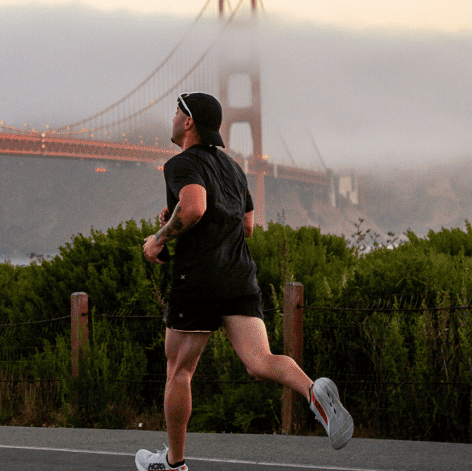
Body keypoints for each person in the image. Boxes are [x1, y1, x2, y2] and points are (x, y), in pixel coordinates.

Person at [132, 92, 352, 471]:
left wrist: (160, 237)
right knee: (260, 361)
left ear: (188, 122)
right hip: (238, 275)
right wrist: (179, 215)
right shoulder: (233, 168)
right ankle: (312, 391)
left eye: (176, 111)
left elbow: (197, 207)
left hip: (198, 279)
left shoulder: (181, 163)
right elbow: (247, 225)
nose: (171, 118)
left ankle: (174, 464)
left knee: (179, 371)